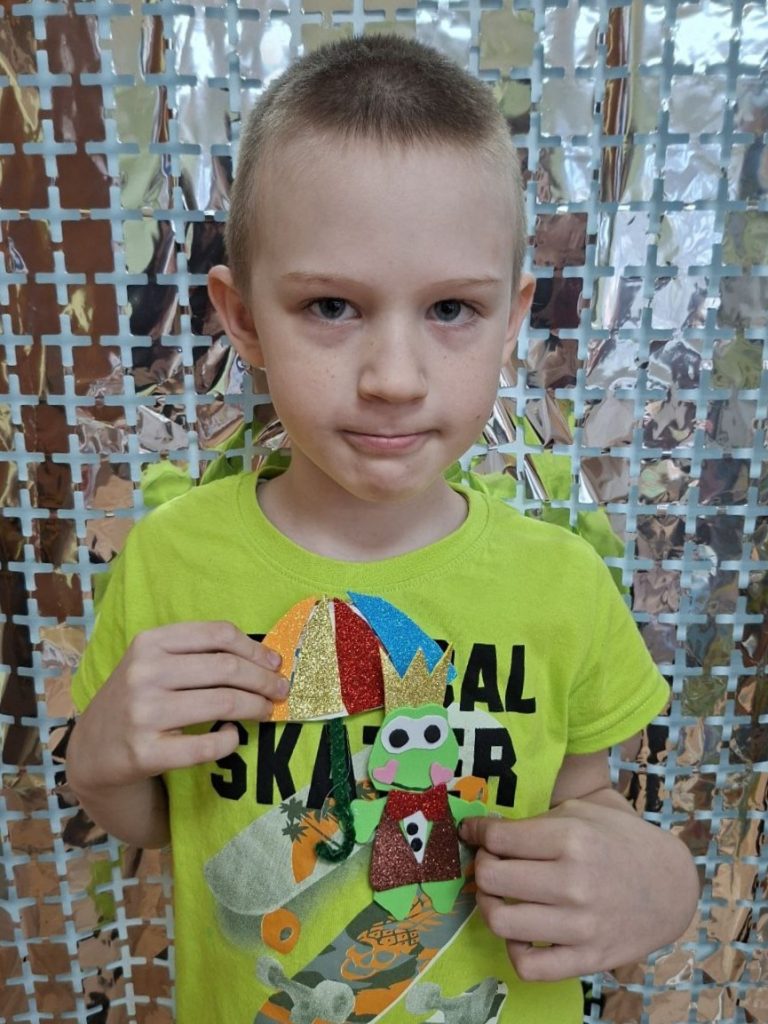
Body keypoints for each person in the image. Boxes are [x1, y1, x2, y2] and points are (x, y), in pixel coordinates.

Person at [67, 34, 699, 1024]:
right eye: (331, 306)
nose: (395, 377)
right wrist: (99, 760)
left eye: (451, 308)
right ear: (242, 318)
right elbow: (163, 819)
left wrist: (663, 880)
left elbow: (587, 802)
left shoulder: (562, 582)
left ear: (510, 319)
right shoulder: (173, 559)